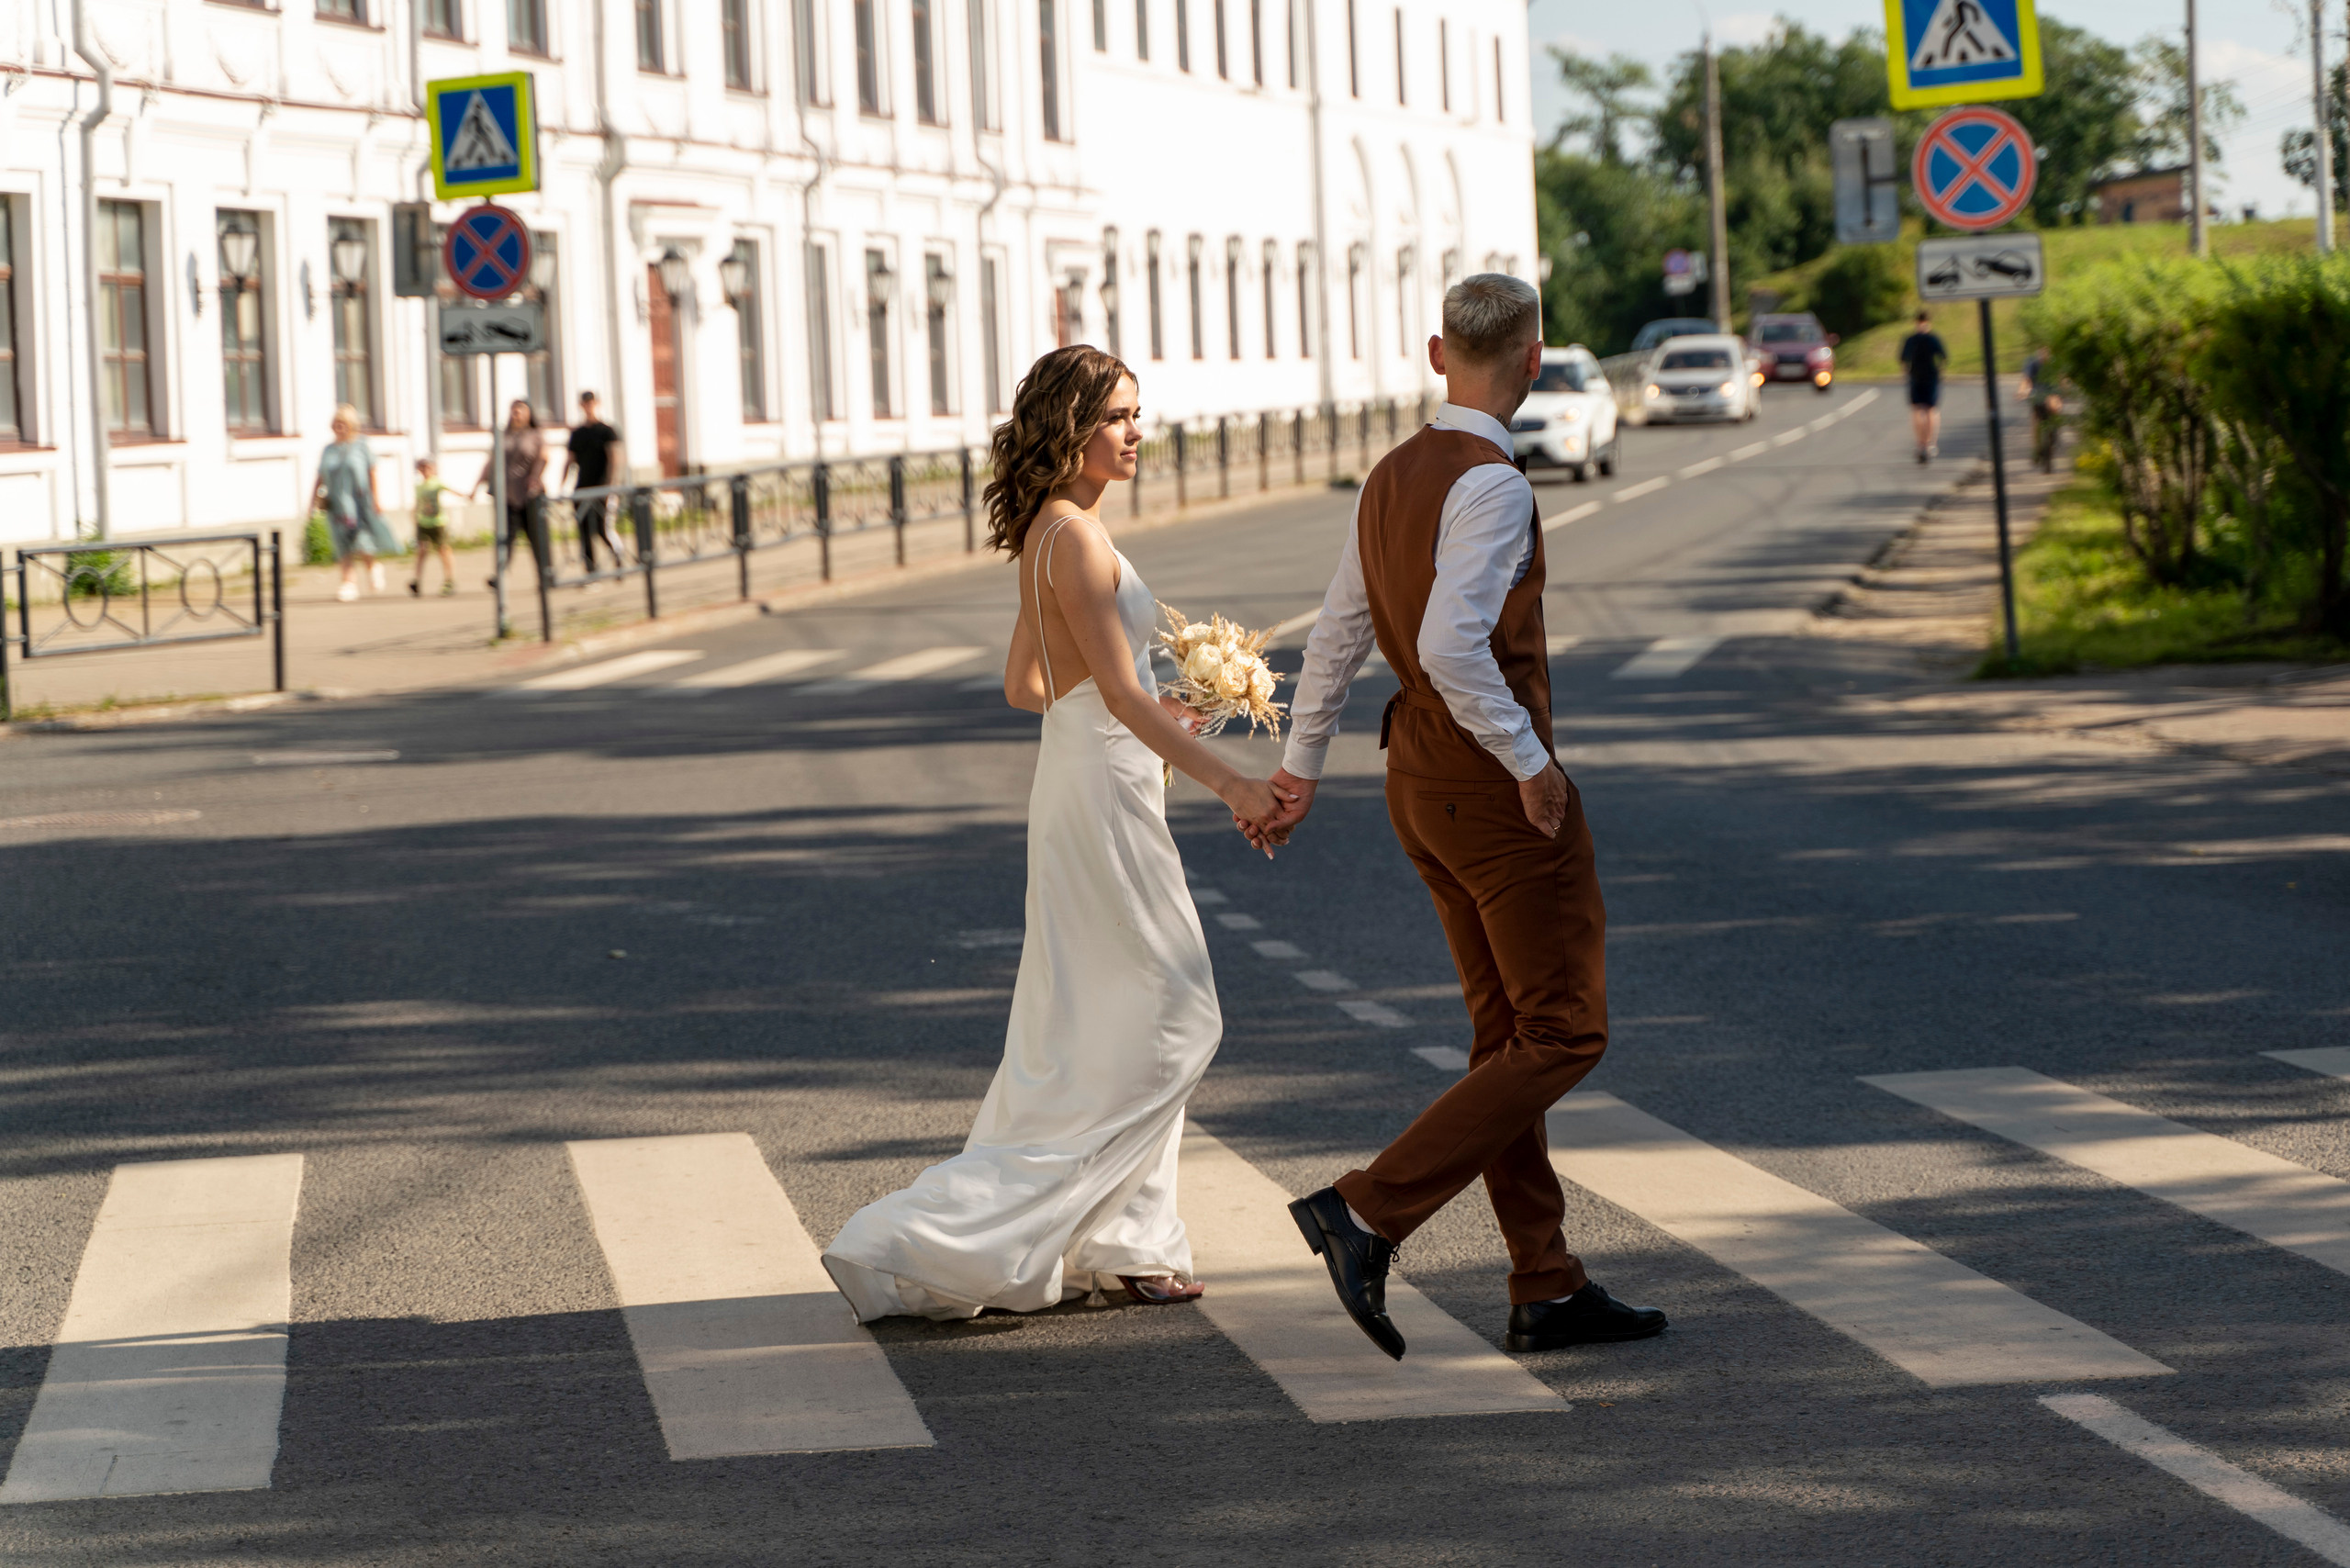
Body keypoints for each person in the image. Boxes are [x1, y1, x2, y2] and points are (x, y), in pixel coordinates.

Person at [822, 345, 1293, 1322]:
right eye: (1117, 414)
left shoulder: (1048, 531)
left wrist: (1162, 707)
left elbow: (1030, 685)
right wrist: (1233, 784)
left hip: (1083, 780)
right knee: (1177, 1017)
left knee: (1112, 1018)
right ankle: (974, 1231)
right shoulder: (1074, 537)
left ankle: (1131, 1244)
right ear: (1070, 424)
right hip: (1103, 795)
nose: (1134, 431)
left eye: (1136, 412)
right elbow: (1109, 690)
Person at [1258, 274, 1666, 1361]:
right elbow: (1447, 644)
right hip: (1490, 786)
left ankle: (1545, 1280)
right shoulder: (1490, 483)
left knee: (1506, 1038)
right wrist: (1531, 763)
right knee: (1567, 1028)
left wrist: (1300, 767)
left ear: (1440, 354)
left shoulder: (1389, 476)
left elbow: (1338, 631)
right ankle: (1366, 1209)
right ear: (1532, 362)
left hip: (1416, 785)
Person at [308, 403, 399, 603]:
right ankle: (348, 583)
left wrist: (376, 500)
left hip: (360, 504)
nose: (339, 428)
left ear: (352, 425)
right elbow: (320, 476)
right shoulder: (328, 450)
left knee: (362, 542)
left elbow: (372, 472)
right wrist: (312, 503)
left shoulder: (361, 445)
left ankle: (372, 566)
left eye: (343, 424)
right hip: (337, 504)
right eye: (336, 424)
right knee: (343, 544)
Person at [469, 399, 550, 583]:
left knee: (537, 537)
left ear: (529, 414)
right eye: (514, 411)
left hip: (530, 495)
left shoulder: (535, 435)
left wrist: (535, 477)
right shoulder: (503, 435)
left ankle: (546, 574)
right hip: (506, 494)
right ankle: (501, 575)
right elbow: (491, 462)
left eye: (520, 411)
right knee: (505, 537)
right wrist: (476, 486)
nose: (516, 414)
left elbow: (544, 457)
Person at [564, 391, 625, 574]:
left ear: (597, 404)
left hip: (602, 488)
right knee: (583, 531)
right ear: (581, 406)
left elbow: (615, 458)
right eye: (585, 404)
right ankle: (590, 571)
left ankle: (618, 555)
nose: (588, 407)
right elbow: (570, 460)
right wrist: (563, 484)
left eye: (591, 403)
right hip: (582, 488)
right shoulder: (578, 434)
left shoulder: (607, 431)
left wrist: (612, 484)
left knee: (602, 529)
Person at [1898, 311, 1949, 464]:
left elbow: (1903, 360)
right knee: (1930, 410)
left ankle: (1921, 443)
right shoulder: (1933, 338)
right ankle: (1930, 443)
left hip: (1916, 377)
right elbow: (1943, 357)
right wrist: (1940, 372)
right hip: (1930, 377)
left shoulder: (1911, 339)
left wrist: (1907, 373)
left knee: (1918, 410)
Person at [408, 456, 457, 597]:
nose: (425, 471)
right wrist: (414, 517)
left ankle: (449, 580)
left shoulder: (437, 483)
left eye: (428, 467)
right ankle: (416, 581)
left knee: (443, 550)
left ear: (433, 469)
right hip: (423, 522)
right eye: (422, 468)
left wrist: (467, 495)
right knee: (422, 552)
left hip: (438, 522)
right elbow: (417, 503)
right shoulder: (419, 486)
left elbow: (451, 490)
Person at [2018, 349, 2062, 473]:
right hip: (2037, 394)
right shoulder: (2032, 362)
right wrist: (2022, 392)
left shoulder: (2055, 362)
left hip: (2052, 394)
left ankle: (2054, 435)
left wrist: (2062, 391)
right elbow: (2026, 380)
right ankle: (2036, 449)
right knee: (2035, 420)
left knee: (2056, 409)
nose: (2045, 355)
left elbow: (2061, 379)